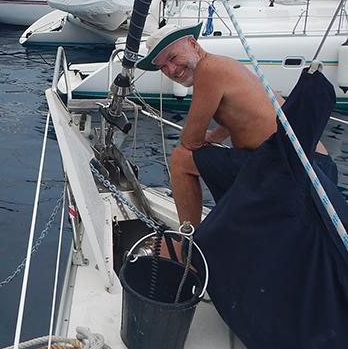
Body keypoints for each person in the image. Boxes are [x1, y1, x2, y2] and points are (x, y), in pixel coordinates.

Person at [136, 23, 335, 227]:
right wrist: (215, 137)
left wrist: (198, 139)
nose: (171, 70)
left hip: (291, 166)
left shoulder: (208, 69)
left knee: (180, 159)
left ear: (193, 44)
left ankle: (188, 239)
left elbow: (190, 142)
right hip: (314, 163)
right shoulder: (224, 65)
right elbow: (241, 110)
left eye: (172, 58)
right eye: (162, 67)